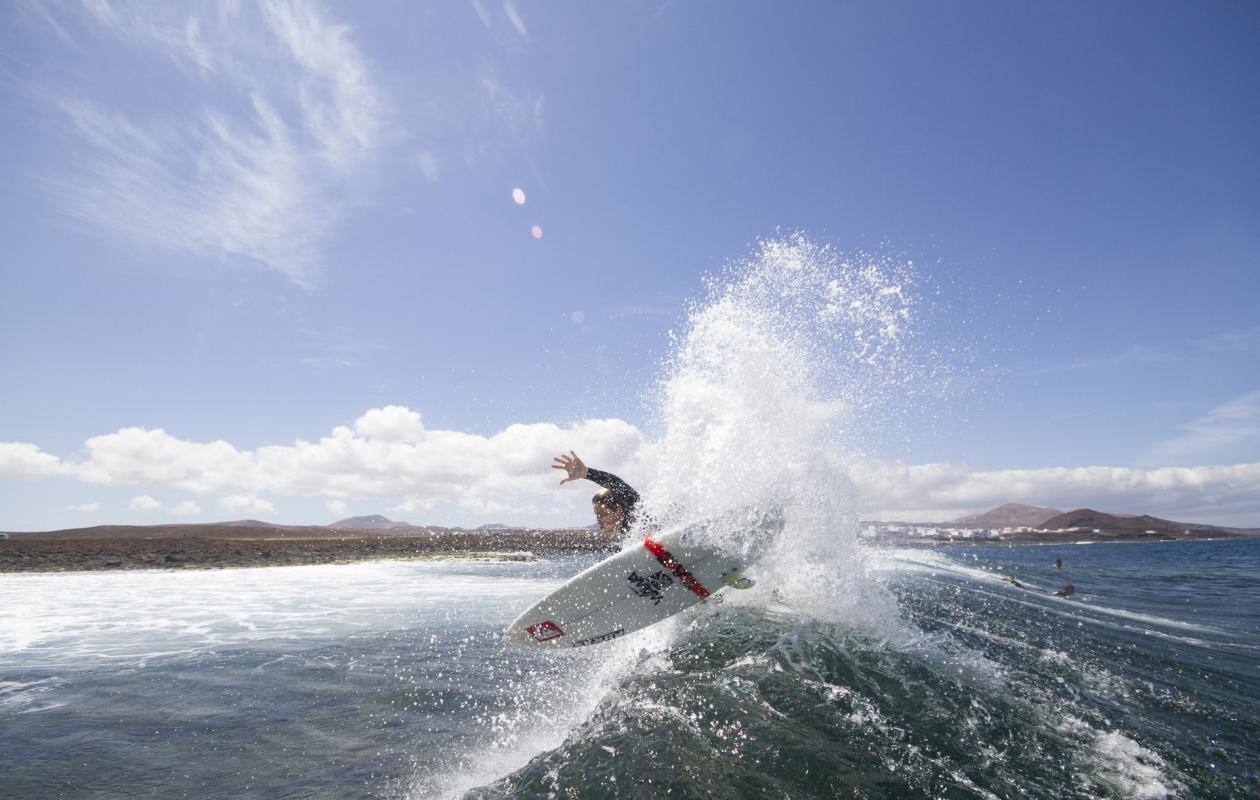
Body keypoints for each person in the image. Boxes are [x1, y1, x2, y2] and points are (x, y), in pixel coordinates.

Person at [552, 451, 640, 535]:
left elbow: (617, 484)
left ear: (619, 510)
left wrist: (586, 473)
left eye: (603, 514)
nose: (598, 521)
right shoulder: (626, 531)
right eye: (597, 515)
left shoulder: (637, 511)